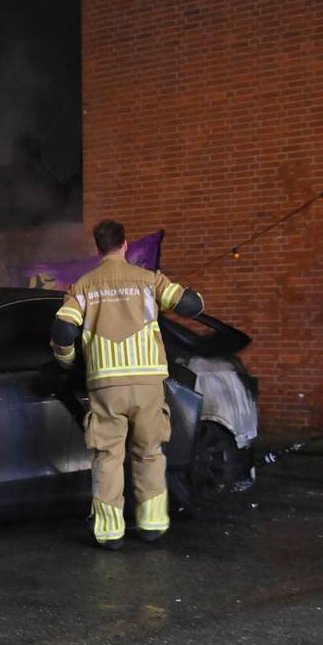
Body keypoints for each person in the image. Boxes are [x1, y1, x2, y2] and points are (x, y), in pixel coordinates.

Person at [50, 220, 204, 549]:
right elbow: (190, 305)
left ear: (97, 248)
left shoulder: (84, 286)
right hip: (148, 384)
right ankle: (152, 525)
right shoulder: (149, 280)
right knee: (149, 453)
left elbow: (63, 331)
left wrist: (65, 362)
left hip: (106, 386)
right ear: (125, 244)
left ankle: (109, 533)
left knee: (108, 457)